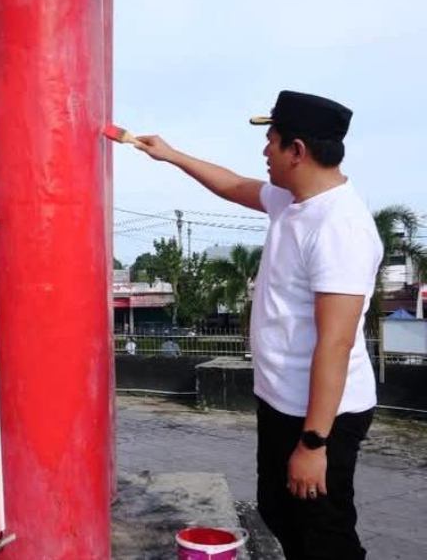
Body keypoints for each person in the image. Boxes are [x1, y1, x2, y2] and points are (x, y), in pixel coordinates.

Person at [134, 90, 382, 559]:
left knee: (323, 533)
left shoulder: (339, 227)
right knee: (279, 510)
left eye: (270, 141)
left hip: (323, 415)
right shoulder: (291, 200)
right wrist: (169, 155)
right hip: (281, 401)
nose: (264, 152)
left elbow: (336, 342)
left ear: (297, 151)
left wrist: (314, 443)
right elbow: (231, 185)